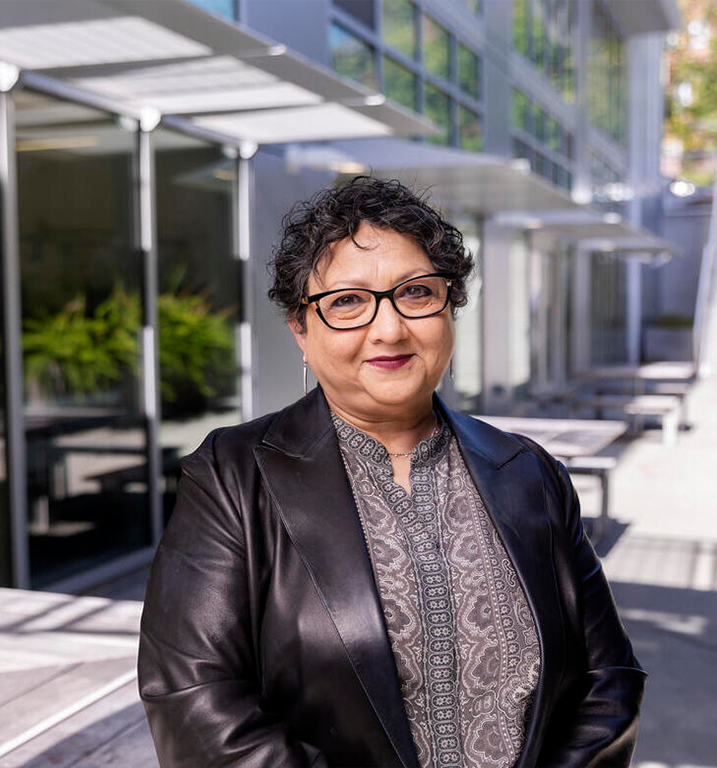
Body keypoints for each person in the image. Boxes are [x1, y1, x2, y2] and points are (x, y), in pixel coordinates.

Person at [138, 176, 646, 768]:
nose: (389, 329)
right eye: (347, 302)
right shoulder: (231, 477)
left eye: (416, 293)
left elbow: (608, 678)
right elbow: (194, 701)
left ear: (450, 306)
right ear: (300, 329)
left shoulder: (530, 473)